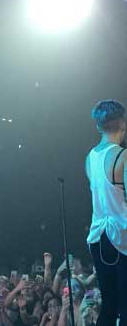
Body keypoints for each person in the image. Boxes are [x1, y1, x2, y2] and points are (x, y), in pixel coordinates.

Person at [86, 100, 127, 326]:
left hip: (98, 238)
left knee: (109, 306)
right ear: (121, 123)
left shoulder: (89, 158)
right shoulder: (122, 156)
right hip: (122, 236)